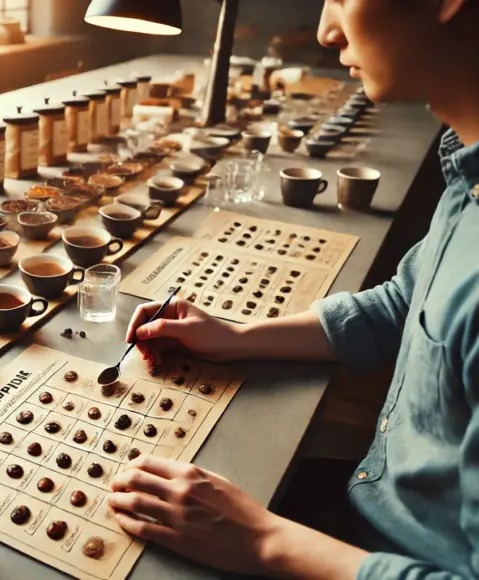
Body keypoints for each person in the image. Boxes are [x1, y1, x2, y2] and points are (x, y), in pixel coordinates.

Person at [112, 0, 479, 578]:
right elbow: (404, 304)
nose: (325, 31)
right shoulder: (468, 174)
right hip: (366, 503)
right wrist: (236, 336)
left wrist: (261, 539)